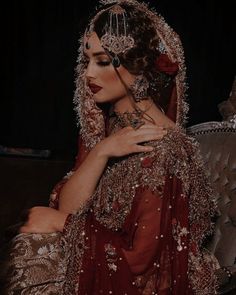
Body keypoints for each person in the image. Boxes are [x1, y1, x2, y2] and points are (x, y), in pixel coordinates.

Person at [2, 0, 218, 294]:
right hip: (102, 253)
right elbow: (70, 205)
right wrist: (103, 150)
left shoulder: (165, 150)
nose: (88, 73)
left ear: (139, 67)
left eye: (102, 61)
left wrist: (63, 223)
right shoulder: (113, 128)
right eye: (87, 60)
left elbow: (142, 262)